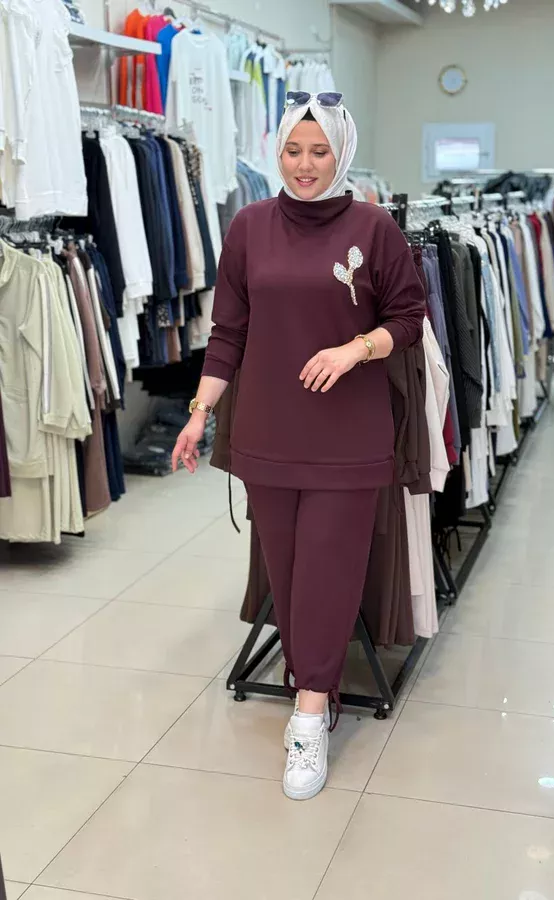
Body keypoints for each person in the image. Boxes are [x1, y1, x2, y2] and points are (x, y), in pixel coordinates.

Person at [172, 91, 425, 801]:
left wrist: (354, 348)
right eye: (293, 150)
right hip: (267, 432)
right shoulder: (249, 226)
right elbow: (228, 333)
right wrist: (198, 414)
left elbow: (409, 317)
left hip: (349, 435)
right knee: (285, 575)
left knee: (328, 572)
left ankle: (310, 715)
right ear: (277, 151)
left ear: (341, 153)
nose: (305, 165)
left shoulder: (374, 227)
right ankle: (308, 681)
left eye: (319, 151)